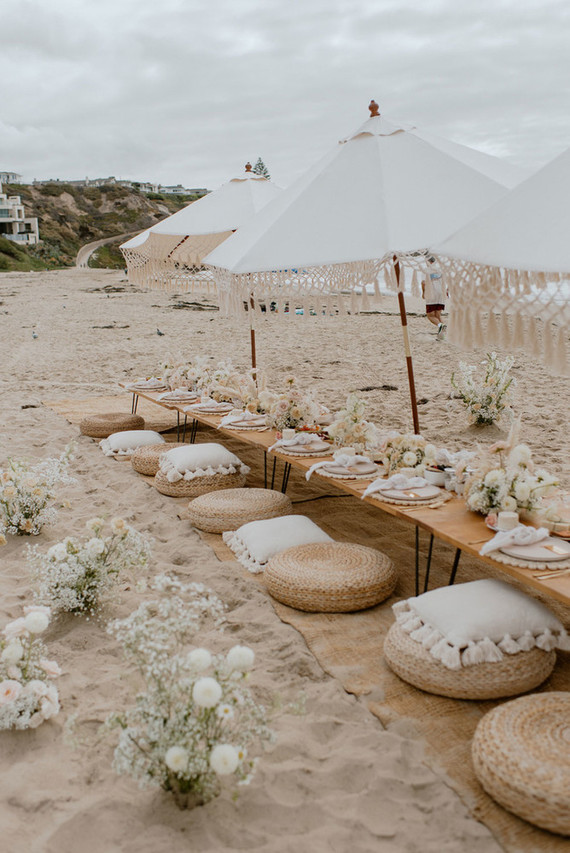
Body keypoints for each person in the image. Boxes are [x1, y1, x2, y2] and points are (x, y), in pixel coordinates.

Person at [421, 256, 447, 340]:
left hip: (432, 293)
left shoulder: (426, 270)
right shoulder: (440, 269)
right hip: (441, 293)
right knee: (437, 315)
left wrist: (423, 292)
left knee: (430, 315)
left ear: (428, 261)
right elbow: (445, 282)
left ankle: (441, 325)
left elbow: (423, 283)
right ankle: (441, 336)